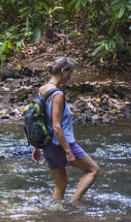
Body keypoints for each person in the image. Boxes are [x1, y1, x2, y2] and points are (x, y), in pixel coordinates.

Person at [31, 56, 100, 203]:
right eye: (70, 73)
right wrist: (68, 151)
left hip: (47, 145)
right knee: (93, 170)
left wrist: (36, 147)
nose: (70, 77)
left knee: (60, 185)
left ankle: (58, 212)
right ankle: (72, 204)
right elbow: (57, 126)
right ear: (63, 71)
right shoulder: (58, 94)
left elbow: (39, 120)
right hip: (61, 144)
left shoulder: (41, 90)